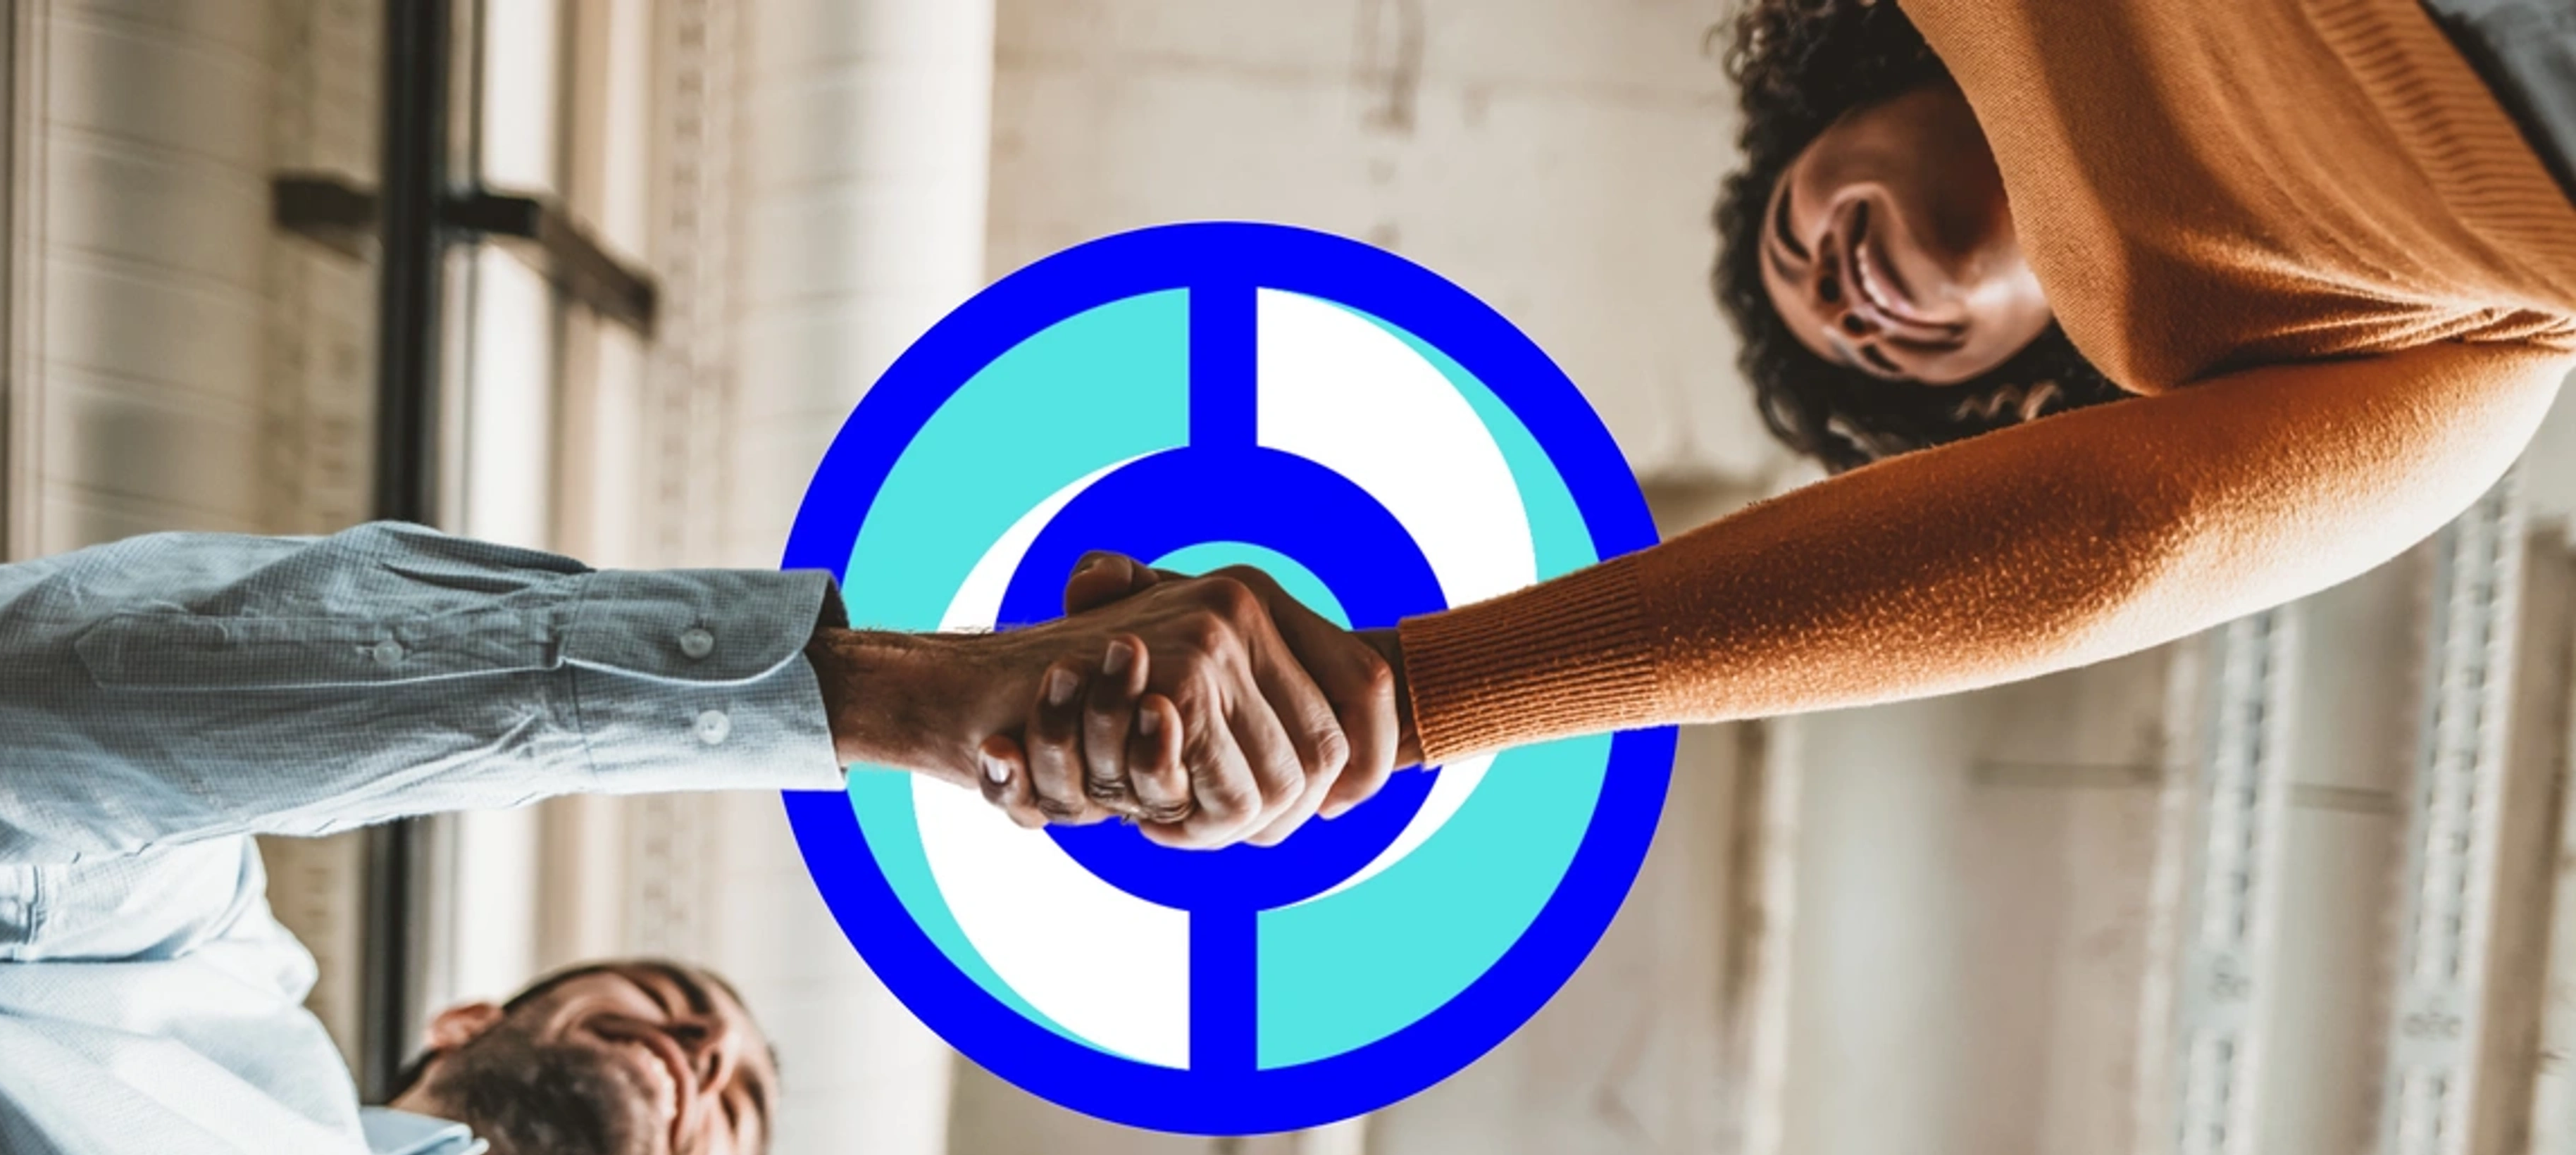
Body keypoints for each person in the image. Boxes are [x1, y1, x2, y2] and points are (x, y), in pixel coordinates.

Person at [985, 0, 2576, 822]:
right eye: (1875, 356)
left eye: (1791, 228)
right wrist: (1413, 695)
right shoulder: (2357, 371)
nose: (1836, 290)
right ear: (2019, 388)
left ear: (1841, 92)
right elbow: (2127, 537)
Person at [0, 520, 1389, 1155]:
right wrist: (879, 698)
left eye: (730, 1100)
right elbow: (23, 708)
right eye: (670, 1000)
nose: (704, 1045)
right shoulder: (178, 994)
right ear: (468, 1022)